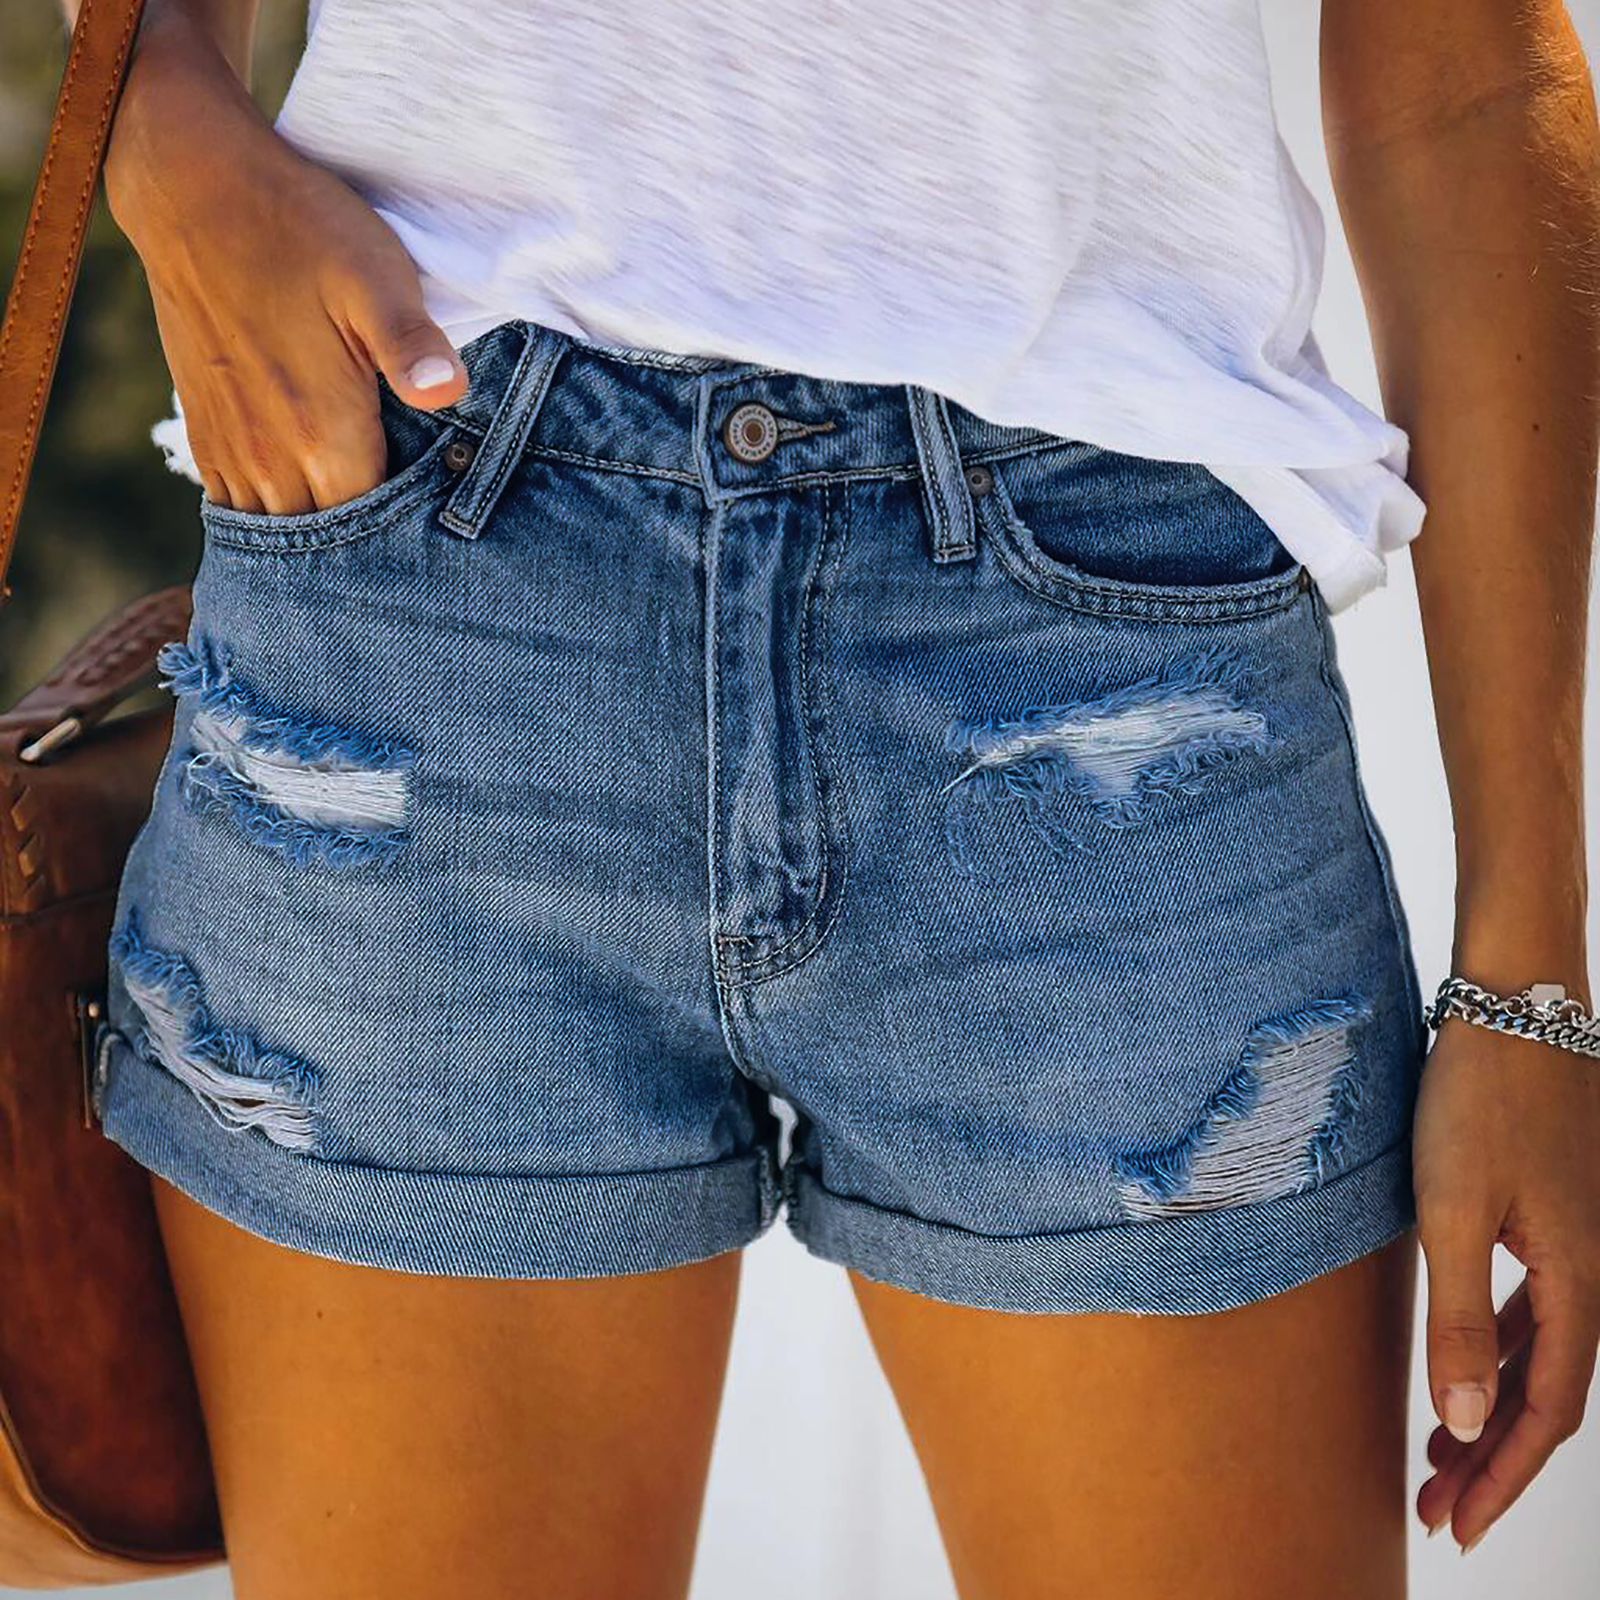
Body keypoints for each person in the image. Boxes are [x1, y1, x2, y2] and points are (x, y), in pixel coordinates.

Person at [71, 0, 1598, 1594]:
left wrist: (1535, 983)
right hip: (430, 577)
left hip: (1103, 667)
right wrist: (161, 119)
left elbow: (1466, 73)